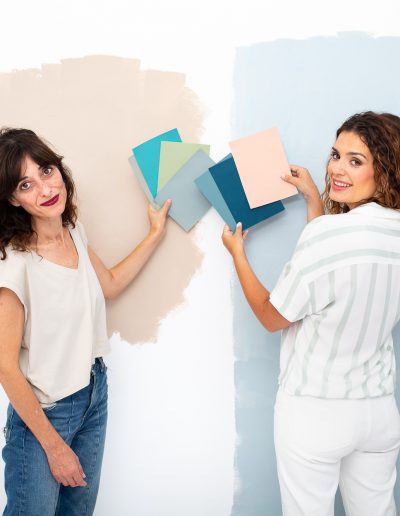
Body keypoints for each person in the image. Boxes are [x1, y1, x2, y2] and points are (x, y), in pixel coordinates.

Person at [222, 111, 400, 516]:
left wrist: (238, 256)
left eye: (356, 161)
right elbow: (337, 274)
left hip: (315, 411)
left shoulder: (327, 236)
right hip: (378, 412)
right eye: (336, 155)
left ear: (387, 171)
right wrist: (314, 202)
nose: (337, 168)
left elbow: (271, 317)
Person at [0, 128, 171, 515]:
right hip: (45, 413)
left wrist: (155, 234)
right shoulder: (14, 264)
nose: (45, 189)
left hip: (94, 392)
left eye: (46, 171)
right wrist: (54, 447)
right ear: (13, 198)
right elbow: (5, 368)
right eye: (26, 184)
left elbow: (108, 284)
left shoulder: (73, 232)